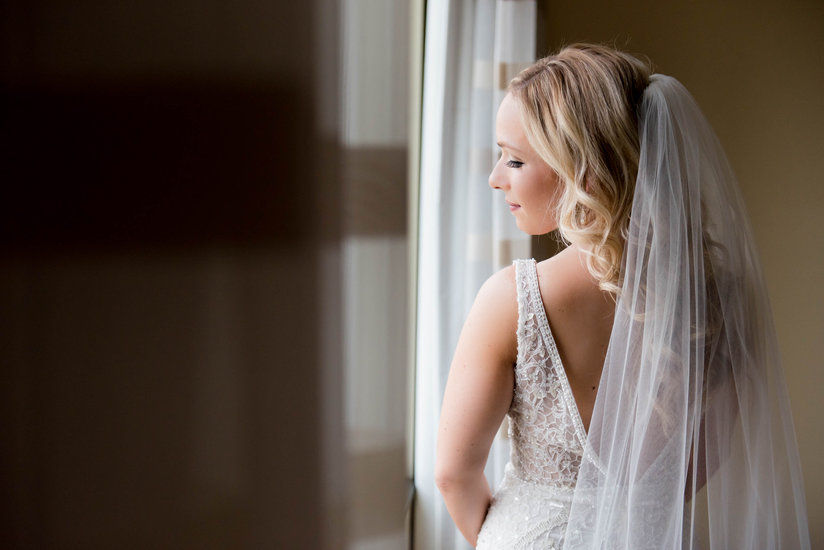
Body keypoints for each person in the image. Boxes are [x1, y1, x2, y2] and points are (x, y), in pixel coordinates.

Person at [434, 44, 810, 549]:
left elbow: (452, 475)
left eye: (515, 159)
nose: (495, 177)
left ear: (582, 170)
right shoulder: (720, 301)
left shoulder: (515, 300)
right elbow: (694, 471)